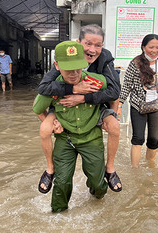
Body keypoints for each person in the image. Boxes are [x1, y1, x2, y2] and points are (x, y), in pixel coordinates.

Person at [37, 24, 122, 194]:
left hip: (95, 105)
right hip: (64, 106)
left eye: (98, 45)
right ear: (78, 43)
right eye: (88, 44)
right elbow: (44, 88)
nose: (93, 50)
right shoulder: (67, 55)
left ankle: (110, 169)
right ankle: (50, 169)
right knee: (45, 129)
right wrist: (73, 90)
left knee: (114, 126)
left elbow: (114, 91)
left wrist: (83, 97)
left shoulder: (104, 58)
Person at [33, 41, 109, 212]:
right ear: (57, 66)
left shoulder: (94, 82)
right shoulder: (52, 88)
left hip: (91, 137)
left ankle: (96, 196)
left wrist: (108, 116)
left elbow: (112, 91)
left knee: (98, 183)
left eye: (78, 67)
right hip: (65, 139)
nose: (74, 73)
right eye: (69, 68)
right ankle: (58, 215)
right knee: (62, 182)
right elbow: (37, 109)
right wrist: (53, 123)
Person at [117, 34, 158, 168]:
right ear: (143, 47)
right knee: (138, 139)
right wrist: (119, 105)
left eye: (157, 47)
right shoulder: (135, 63)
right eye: (151, 47)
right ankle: (135, 170)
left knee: (153, 140)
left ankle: (150, 168)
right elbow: (127, 85)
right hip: (138, 105)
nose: (154, 50)